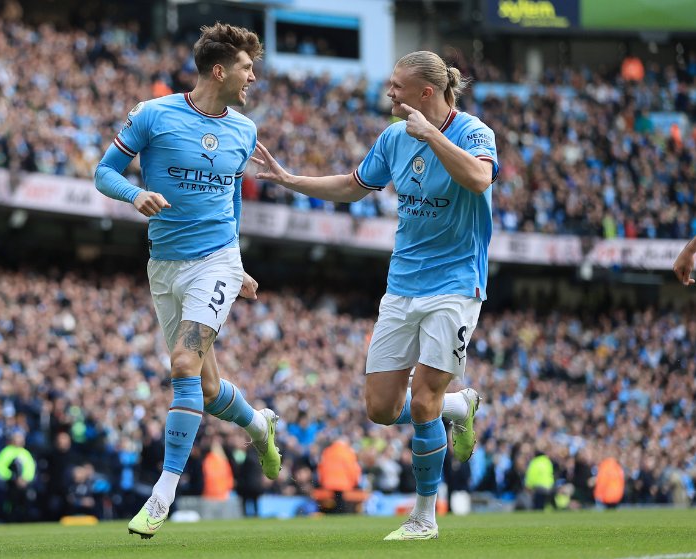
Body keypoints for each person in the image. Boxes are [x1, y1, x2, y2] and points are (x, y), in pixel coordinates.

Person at [251, 50, 498, 540]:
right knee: (380, 408)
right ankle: (458, 405)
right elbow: (352, 185)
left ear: (425, 93)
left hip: (455, 285)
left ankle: (424, 516)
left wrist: (431, 135)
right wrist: (289, 180)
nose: (388, 94)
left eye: (396, 86)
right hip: (403, 284)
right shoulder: (392, 137)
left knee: (424, 400)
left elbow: (479, 178)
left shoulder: (473, 132)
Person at [93, 22, 281, 538]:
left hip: (215, 260)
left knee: (182, 363)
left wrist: (236, 263)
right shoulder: (153, 115)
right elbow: (103, 172)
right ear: (219, 70)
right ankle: (257, 424)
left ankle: (163, 494)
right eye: (246, 67)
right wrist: (134, 195)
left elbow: (233, 201)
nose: (253, 76)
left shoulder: (245, 129)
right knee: (208, 384)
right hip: (165, 264)